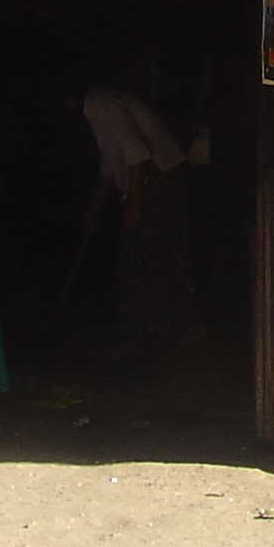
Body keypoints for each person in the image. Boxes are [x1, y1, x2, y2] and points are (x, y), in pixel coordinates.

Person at [78, 77, 200, 358]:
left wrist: (133, 203)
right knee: (157, 255)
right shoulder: (98, 106)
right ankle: (169, 330)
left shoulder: (100, 103)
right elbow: (111, 164)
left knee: (145, 255)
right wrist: (93, 211)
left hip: (157, 178)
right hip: (154, 178)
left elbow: (137, 152)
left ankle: (147, 334)